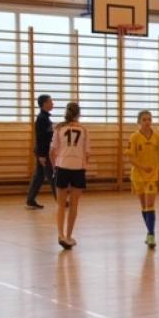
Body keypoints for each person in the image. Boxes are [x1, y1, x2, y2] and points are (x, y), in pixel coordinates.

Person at [49, 102, 90, 250]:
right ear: (79, 114)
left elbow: (52, 151)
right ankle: (69, 236)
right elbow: (87, 153)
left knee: (61, 205)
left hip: (62, 166)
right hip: (78, 168)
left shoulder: (59, 128)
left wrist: (54, 168)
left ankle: (60, 235)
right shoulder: (84, 130)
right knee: (74, 204)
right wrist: (83, 165)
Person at [127, 110, 159, 248]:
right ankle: (149, 232)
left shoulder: (157, 136)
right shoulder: (134, 137)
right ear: (139, 122)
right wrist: (143, 167)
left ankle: (151, 235)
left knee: (150, 204)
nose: (147, 122)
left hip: (152, 176)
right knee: (144, 206)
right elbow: (130, 158)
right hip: (138, 176)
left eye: (149, 119)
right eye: (144, 119)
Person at [26, 94, 56, 209]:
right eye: (50, 101)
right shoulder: (42, 119)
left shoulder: (45, 118)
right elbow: (41, 138)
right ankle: (61, 199)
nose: (52, 103)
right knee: (52, 175)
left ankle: (30, 200)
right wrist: (42, 155)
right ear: (44, 104)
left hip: (43, 151)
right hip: (44, 152)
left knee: (39, 176)